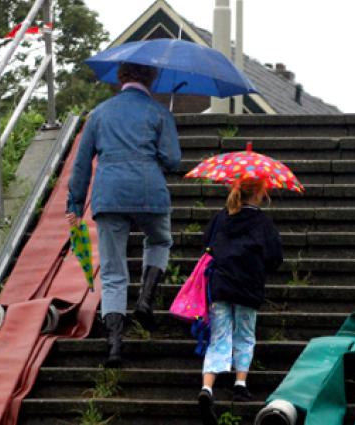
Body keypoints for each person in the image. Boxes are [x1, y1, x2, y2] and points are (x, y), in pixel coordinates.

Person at [65, 62, 181, 368]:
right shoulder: (159, 113)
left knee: (114, 273)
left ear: (121, 78)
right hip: (148, 191)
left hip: (109, 194)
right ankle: (145, 298)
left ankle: (114, 347)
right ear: (151, 78)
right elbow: (173, 160)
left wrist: (75, 205)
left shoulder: (99, 114)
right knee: (159, 240)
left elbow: (80, 164)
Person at [196, 177, 283, 425]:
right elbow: (275, 257)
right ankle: (240, 383)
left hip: (220, 285)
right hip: (248, 287)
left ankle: (207, 388)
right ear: (258, 194)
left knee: (218, 338)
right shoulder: (262, 222)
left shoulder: (222, 218)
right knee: (245, 334)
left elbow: (206, 245)